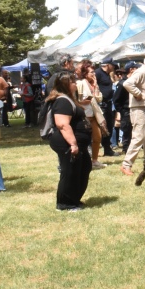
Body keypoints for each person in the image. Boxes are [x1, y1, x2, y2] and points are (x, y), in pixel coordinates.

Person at [47, 71, 92, 211]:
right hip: (67, 142)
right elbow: (62, 124)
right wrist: (73, 143)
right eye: (73, 82)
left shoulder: (69, 99)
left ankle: (74, 199)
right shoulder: (62, 101)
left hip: (79, 143)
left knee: (83, 168)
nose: (75, 84)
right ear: (65, 85)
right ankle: (64, 203)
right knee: (70, 171)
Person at [121, 54, 145, 176]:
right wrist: (139, 94)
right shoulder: (141, 72)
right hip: (139, 108)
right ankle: (126, 165)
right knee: (138, 137)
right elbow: (127, 83)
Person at [75, 60, 107, 171]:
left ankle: (94, 160)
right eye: (91, 72)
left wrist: (96, 86)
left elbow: (99, 98)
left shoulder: (93, 84)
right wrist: (84, 101)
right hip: (85, 114)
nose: (94, 74)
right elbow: (77, 99)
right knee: (85, 139)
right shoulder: (80, 83)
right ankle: (84, 161)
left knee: (97, 137)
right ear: (85, 73)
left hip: (94, 114)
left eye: (94, 72)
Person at [113, 61, 139, 157]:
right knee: (127, 131)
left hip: (134, 110)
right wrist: (122, 111)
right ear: (131, 70)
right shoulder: (122, 83)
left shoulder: (134, 82)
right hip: (126, 110)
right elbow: (116, 99)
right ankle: (126, 148)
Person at [95, 57, 116, 156]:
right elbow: (94, 86)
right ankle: (97, 148)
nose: (114, 67)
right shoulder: (98, 73)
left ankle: (107, 148)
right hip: (101, 104)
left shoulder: (107, 74)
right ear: (107, 65)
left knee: (109, 127)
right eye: (112, 65)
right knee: (102, 126)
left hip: (108, 103)